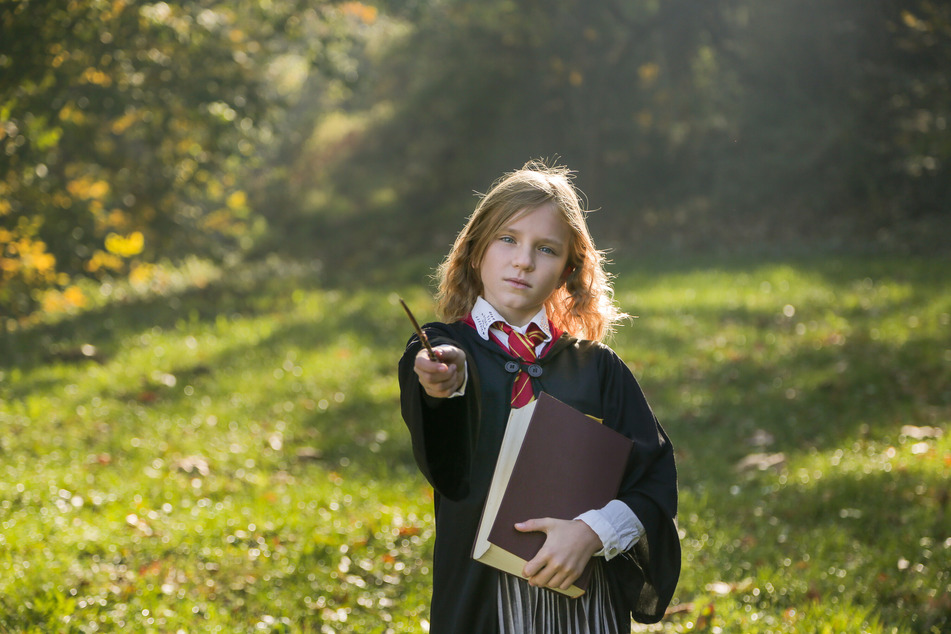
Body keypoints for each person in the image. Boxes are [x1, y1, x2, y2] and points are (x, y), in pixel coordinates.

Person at [398, 160, 680, 633]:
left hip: (585, 606)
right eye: (507, 239)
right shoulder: (451, 348)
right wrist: (442, 383)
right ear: (475, 250)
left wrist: (591, 534)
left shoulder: (599, 369)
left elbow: (653, 483)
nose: (523, 260)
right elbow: (442, 446)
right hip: (480, 602)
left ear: (569, 269)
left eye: (545, 249)